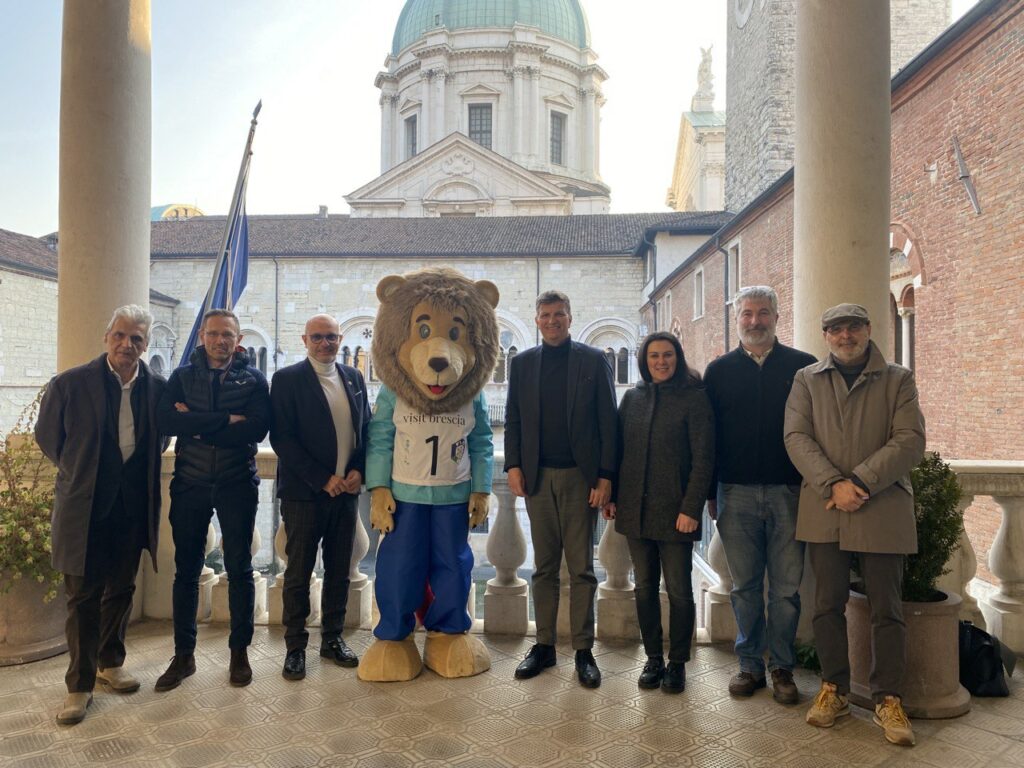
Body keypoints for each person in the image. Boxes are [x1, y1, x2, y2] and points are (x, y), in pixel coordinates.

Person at [784, 303, 925, 747]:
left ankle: (887, 698)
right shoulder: (806, 379)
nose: (845, 336)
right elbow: (796, 437)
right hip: (826, 506)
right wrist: (832, 484)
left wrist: (859, 481)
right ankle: (834, 690)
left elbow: (910, 440)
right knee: (826, 604)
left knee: (887, 607)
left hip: (880, 503)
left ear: (867, 329)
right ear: (825, 335)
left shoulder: (898, 379)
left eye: (853, 327)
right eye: (836, 329)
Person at [35, 305, 167, 725]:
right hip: (85, 507)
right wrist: (83, 473)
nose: (128, 345)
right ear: (107, 337)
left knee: (122, 589)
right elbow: (48, 438)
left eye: (137, 340)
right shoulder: (70, 384)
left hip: (131, 508)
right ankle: (79, 686)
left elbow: (159, 440)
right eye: (121, 336)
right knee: (83, 596)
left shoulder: (156, 388)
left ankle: (111, 664)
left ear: (146, 346)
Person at [703, 286, 816, 704]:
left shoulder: (803, 368)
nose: (755, 321)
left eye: (763, 313)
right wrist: (710, 491)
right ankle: (750, 665)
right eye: (747, 314)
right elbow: (708, 437)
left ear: (776, 317)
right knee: (744, 587)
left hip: (790, 493)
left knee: (786, 590)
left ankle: (782, 667)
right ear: (737, 320)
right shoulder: (718, 371)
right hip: (735, 493)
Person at [504, 291, 618, 688]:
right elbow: (514, 419)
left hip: (579, 478)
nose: (552, 320)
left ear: (570, 318)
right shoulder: (522, 364)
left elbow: (608, 422)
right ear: (537, 320)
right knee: (544, 568)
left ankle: (584, 650)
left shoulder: (592, 360)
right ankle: (545, 645)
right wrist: (513, 465)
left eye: (559, 314)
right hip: (536, 478)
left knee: (582, 569)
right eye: (545, 315)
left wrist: (605, 477)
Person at [155, 309, 271, 691]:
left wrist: (199, 421)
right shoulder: (182, 377)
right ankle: (183, 655)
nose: (221, 340)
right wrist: (225, 420)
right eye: (214, 333)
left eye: (228, 335)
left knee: (239, 569)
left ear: (238, 341)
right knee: (186, 571)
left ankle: (239, 653)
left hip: (238, 483)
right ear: (203, 336)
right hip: (190, 483)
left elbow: (258, 427)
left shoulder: (253, 379)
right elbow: (168, 423)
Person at [602, 332, 714, 694]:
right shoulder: (632, 399)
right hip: (636, 511)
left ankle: (678, 661)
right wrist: (614, 495)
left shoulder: (694, 399)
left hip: (676, 513)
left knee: (680, 591)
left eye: (667, 355)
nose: (661, 362)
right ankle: (653, 658)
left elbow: (704, 460)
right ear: (644, 361)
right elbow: (619, 452)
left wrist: (691, 508)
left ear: (678, 358)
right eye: (654, 356)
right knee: (645, 588)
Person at [270, 314, 370, 680]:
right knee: (298, 574)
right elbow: (282, 438)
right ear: (304, 339)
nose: (325, 343)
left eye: (331, 337)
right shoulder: (287, 379)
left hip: (345, 494)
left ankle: (332, 640)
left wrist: (359, 470)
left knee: (339, 572)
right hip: (304, 495)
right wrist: (321, 478)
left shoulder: (354, 377)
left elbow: (366, 429)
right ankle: (295, 647)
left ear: (341, 338)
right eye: (318, 337)